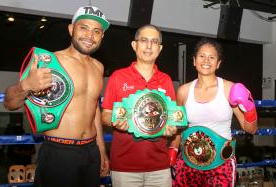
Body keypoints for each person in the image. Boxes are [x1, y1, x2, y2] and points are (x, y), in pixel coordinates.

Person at [3, 6, 110, 187]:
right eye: (83, 27)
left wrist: (101, 148)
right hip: (59, 152)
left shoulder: (98, 67)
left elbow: (94, 109)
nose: (89, 36)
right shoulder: (49, 62)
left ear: (102, 36)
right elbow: (9, 103)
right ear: (71, 29)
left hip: (91, 152)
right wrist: (26, 86)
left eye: (96, 31)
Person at [172, 37, 258, 187]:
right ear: (194, 60)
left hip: (221, 164)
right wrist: (172, 150)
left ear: (218, 63)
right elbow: (178, 128)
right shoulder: (183, 91)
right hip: (188, 163)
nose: (206, 60)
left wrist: (250, 109)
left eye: (212, 57)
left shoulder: (228, 89)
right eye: (202, 56)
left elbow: (250, 128)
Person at [101, 24, 179, 187]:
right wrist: (115, 120)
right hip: (124, 167)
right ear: (134, 45)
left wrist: (171, 128)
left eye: (154, 42)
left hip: (159, 166)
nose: (149, 46)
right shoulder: (118, 77)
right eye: (144, 40)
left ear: (160, 48)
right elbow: (105, 114)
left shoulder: (166, 80)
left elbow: (172, 119)